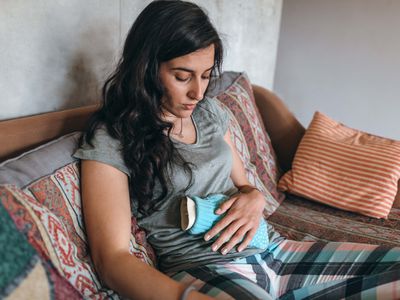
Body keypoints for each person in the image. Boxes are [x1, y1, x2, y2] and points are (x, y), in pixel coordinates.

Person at [74, 1, 400, 299]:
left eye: (205, 76)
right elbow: (111, 258)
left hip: (273, 250)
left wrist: (254, 198)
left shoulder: (210, 112)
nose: (197, 92)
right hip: (206, 269)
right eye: (182, 76)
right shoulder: (113, 137)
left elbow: (244, 186)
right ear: (146, 68)